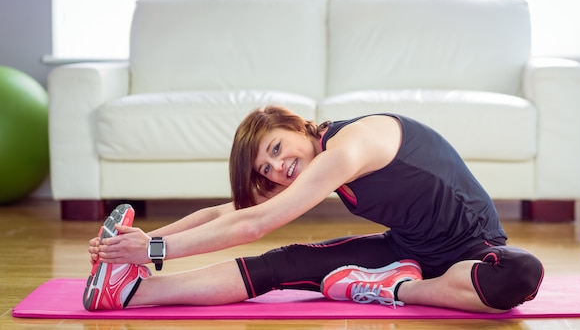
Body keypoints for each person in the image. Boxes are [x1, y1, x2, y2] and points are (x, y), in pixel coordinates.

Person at [85, 106, 544, 312]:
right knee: (283, 263)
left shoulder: (348, 148)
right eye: (268, 167)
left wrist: (154, 249)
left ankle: (393, 289)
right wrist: (141, 243)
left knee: (520, 274)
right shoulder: (314, 165)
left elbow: (256, 223)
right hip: (408, 249)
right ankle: (130, 294)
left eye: (277, 147)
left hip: (474, 250)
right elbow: (232, 211)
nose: (279, 168)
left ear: (295, 123)